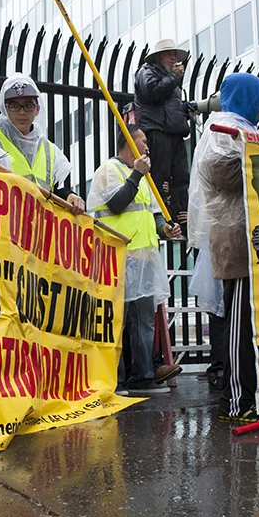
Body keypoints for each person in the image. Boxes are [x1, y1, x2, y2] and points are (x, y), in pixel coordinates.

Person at [189, 72, 259, 421]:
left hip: (254, 239)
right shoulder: (222, 129)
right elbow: (220, 172)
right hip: (235, 244)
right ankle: (235, 402)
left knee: (254, 322)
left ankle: (252, 395)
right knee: (239, 324)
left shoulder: (244, 130)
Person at [87, 124, 182, 395]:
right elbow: (116, 204)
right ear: (128, 143)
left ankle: (144, 376)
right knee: (117, 318)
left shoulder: (144, 177)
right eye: (142, 141)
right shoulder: (109, 170)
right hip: (118, 256)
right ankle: (114, 380)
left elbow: (153, 214)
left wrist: (165, 228)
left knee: (144, 319)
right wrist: (137, 176)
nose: (147, 147)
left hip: (144, 256)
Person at [0, 73, 85, 215]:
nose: (22, 112)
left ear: (37, 109)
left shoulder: (50, 150)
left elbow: (51, 190)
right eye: (14, 106)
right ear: (4, 108)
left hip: (38, 230)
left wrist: (68, 195)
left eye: (28, 105)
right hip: (2, 228)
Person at [134, 39, 193, 230]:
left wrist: (186, 109)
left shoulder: (170, 80)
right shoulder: (146, 72)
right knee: (158, 177)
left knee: (181, 177)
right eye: (170, 54)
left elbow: (169, 107)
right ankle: (159, 221)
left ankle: (179, 220)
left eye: (175, 55)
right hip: (157, 132)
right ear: (158, 57)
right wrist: (175, 79)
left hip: (174, 134)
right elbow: (151, 93)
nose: (174, 59)